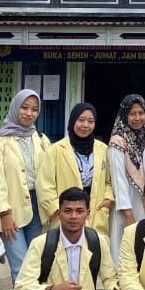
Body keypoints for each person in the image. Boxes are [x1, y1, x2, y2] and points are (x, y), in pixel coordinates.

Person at [0, 88, 51, 290]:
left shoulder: (41, 139)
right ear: (15, 108)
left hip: (36, 209)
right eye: (24, 107)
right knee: (20, 269)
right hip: (11, 210)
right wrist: (4, 213)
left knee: (32, 268)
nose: (29, 113)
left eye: (34, 109)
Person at [37, 103, 113, 244]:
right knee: (66, 251)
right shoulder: (55, 150)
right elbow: (44, 185)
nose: (85, 125)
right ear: (72, 121)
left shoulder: (103, 149)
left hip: (96, 210)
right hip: (67, 212)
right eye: (81, 120)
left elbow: (109, 181)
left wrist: (108, 199)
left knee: (95, 249)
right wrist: (57, 210)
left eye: (90, 121)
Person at [109, 95, 145, 257]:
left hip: (142, 203)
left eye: (141, 113)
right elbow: (118, 180)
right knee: (122, 244)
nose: (137, 118)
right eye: (132, 114)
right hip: (125, 206)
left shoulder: (144, 139)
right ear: (124, 115)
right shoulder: (117, 141)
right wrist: (128, 213)